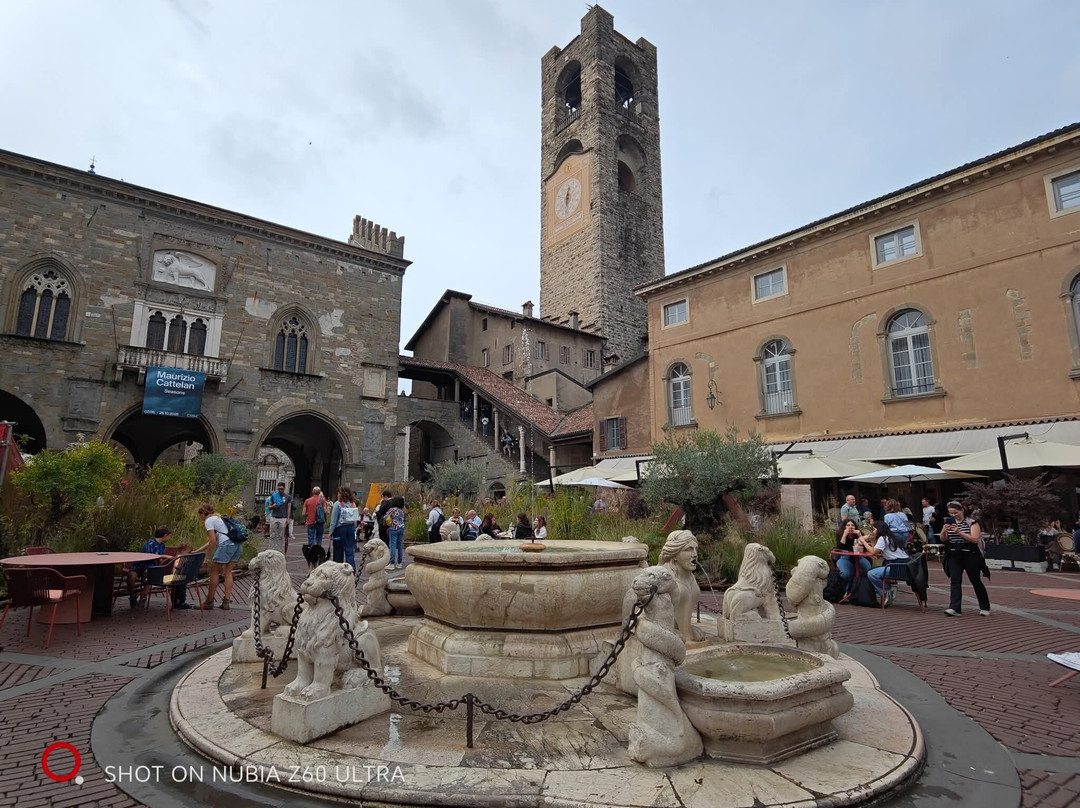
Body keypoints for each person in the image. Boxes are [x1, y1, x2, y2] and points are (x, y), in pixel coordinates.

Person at [942, 500, 991, 617]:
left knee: (975, 580)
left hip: (970, 554)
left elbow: (974, 539)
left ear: (962, 510)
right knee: (955, 580)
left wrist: (959, 532)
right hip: (954, 553)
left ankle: (985, 607)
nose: (953, 515)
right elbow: (944, 539)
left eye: (956, 513)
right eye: (951, 513)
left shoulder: (972, 523)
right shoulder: (949, 522)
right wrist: (944, 531)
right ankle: (954, 608)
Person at [195, 503, 240, 610]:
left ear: (203, 513)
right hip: (237, 545)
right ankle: (226, 601)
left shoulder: (209, 520)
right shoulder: (220, 519)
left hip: (226, 545)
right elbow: (213, 539)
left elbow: (212, 541)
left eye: (200, 514)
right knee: (228, 572)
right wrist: (196, 551)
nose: (200, 517)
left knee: (214, 572)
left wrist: (207, 558)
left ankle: (209, 601)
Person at [859, 519, 910, 607]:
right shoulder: (890, 537)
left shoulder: (883, 538)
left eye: (874, 529)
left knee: (871, 574)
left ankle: (887, 590)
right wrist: (872, 539)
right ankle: (887, 591)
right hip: (905, 566)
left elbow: (874, 552)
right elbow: (877, 551)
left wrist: (863, 541)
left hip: (897, 567)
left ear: (879, 529)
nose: (873, 531)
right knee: (875, 571)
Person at [128, 525, 170, 608]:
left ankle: (143, 596)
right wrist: (164, 556)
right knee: (131, 576)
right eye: (169, 536)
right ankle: (132, 596)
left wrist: (162, 560)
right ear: (165, 535)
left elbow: (158, 557)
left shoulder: (162, 545)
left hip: (150, 567)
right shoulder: (150, 543)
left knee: (150, 575)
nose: (169, 538)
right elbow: (150, 555)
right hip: (140, 565)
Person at [834, 519, 871, 603]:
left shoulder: (858, 534)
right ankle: (846, 591)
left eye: (852, 525)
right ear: (844, 527)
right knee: (847, 573)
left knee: (867, 569)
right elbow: (840, 549)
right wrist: (844, 534)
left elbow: (865, 548)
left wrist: (859, 535)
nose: (851, 527)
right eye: (848, 525)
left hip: (858, 557)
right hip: (845, 556)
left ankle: (862, 591)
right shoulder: (840, 534)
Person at [328, 488, 360, 568]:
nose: (338, 495)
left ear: (341, 494)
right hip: (350, 529)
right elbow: (355, 518)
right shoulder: (353, 504)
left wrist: (331, 531)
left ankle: (339, 569)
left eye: (338, 493)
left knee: (338, 550)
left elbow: (334, 519)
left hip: (340, 529)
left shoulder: (337, 504)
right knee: (350, 550)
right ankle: (351, 569)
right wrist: (354, 529)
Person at [267, 482, 293, 553]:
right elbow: (269, 507)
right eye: (278, 489)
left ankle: (279, 550)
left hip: (283, 518)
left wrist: (288, 518)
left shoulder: (288, 497)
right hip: (274, 517)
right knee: (272, 535)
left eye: (281, 489)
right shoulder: (274, 496)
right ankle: (271, 549)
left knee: (280, 535)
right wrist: (273, 506)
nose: (280, 490)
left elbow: (289, 508)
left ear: (284, 488)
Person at [385, 496, 406, 569]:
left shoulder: (392, 510)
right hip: (401, 528)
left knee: (393, 545)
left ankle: (392, 563)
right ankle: (399, 563)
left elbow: (386, 516)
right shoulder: (402, 511)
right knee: (400, 545)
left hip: (394, 527)